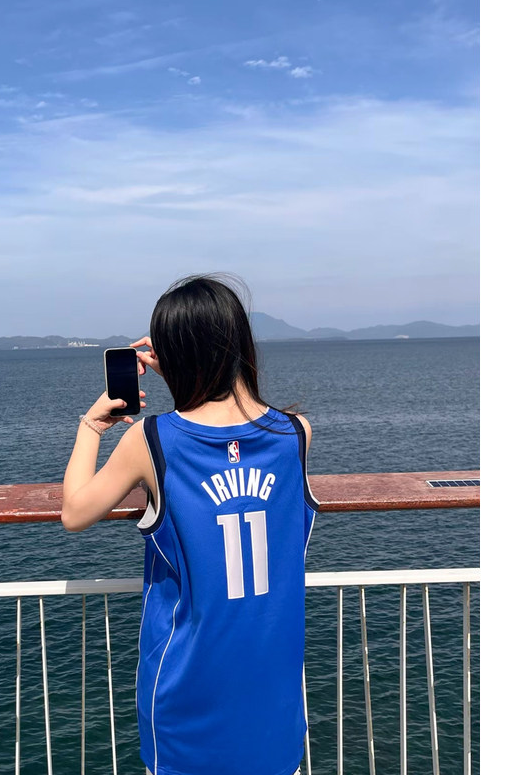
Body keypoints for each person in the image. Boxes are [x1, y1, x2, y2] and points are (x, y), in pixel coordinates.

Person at [62, 274, 319, 775]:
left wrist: (91, 426)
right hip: (273, 698)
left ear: (177, 355)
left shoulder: (152, 441)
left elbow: (75, 513)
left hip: (186, 694)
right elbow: (229, 416)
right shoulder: (295, 434)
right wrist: (187, 368)